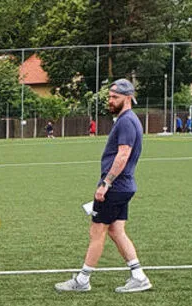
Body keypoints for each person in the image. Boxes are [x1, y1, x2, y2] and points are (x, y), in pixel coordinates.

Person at [55, 79, 152, 294]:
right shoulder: (128, 119)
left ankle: (82, 280)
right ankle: (139, 276)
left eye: (115, 97)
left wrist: (106, 183)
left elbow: (124, 153)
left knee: (97, 231)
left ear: (128, 98)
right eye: (109, 97)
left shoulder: (127, 121)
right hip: (124, 185)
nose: (110, 100)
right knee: (116, 231)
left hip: (116, 186)